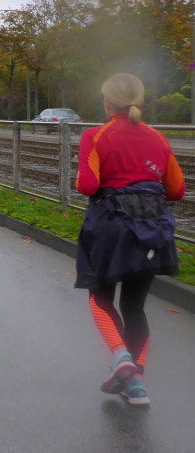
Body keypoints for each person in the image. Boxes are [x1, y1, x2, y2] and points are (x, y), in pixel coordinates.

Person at [75, 73, 185, 406]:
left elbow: (87, 185)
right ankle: (135, 383)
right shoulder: (157, 137)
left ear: (107, 102)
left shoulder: (96, 135)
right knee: (135, 306)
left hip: (111, 228)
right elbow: (177, 190)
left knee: (100, 296)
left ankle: (121, 357)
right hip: (152, 228)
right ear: (140, 101)